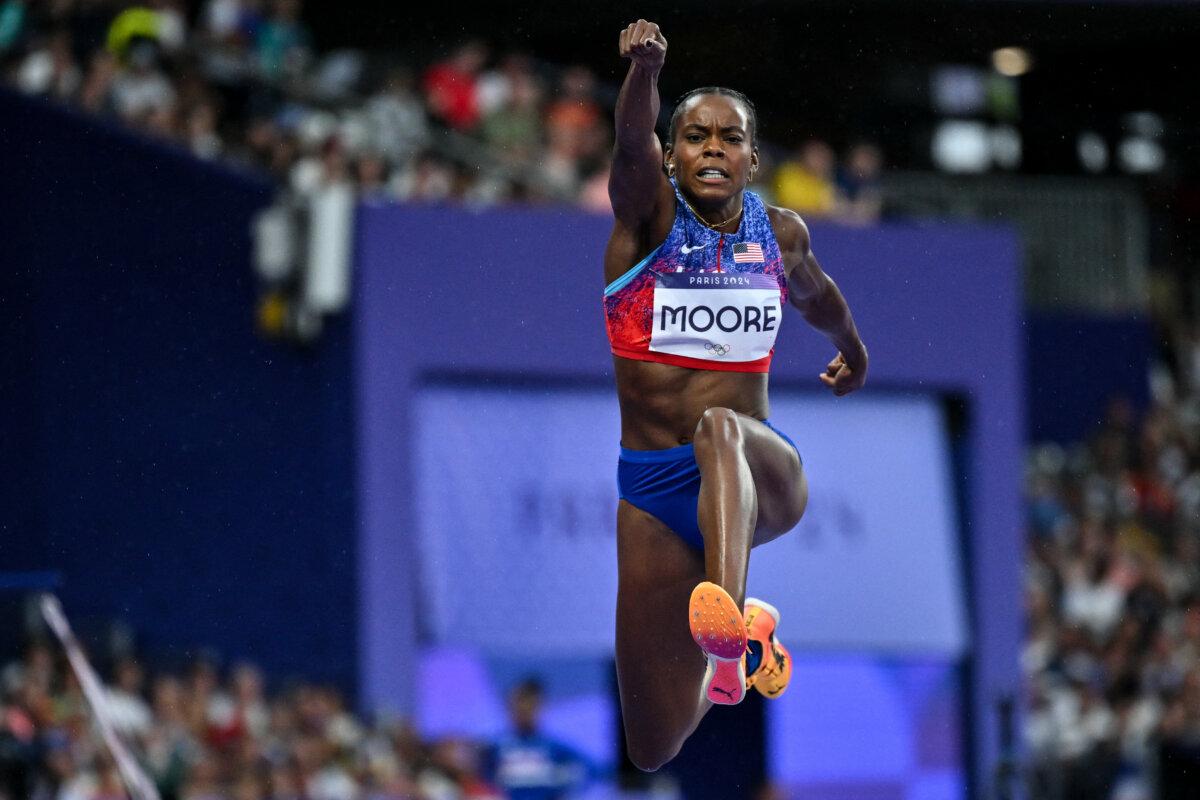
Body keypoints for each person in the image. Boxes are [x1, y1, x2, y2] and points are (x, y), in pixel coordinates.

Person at [603, 20, 869, 771]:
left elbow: (817, 298)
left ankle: (734, 621)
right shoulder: (643, 225)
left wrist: (852, 350)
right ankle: (733, 654)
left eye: (729, 138)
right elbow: (627, 146)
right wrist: (644, 74)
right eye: (694, 136)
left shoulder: (779, 236)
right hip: (653, 490)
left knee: (719, 425)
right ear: (670, 153)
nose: (712, 148)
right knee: (653, 746)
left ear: (753, 159)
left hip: (757, 472)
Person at [481, 678, 591, 800]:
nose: (523, 711)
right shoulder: (495, 746)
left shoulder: (554, 746)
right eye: (518, 704)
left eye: (529, 705)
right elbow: (481, 779)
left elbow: (590, 770)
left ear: (538, 707)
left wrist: (565, 785)